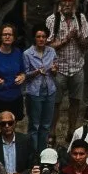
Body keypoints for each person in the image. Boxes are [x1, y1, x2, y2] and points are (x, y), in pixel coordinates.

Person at [47, 0, 88, 146]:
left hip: (77, 67)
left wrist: (77, 37)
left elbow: (86, 44)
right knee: (55, 103)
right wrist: (65, 40)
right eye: (64, 1)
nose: (66, 4)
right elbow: (48, 46)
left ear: (74, 3)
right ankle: (52, 133)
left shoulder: (81, 18)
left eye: (69, 1)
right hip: (59, 68)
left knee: (75, 101)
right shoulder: (52, 20)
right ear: (60, 3)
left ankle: (72, 131)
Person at [23, 25, 57, 154]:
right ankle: (33, 153)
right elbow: (25, 74)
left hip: (50, 90)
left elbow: (55, 71)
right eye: (38, 36)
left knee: (46, 125)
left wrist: (54, 70)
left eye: (43, 36)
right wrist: (37, 72)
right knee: (34, 125)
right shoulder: (27, 54)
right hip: (34, 92)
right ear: (34, 38)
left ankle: (42, 152)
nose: (41, 39)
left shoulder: (51, 51)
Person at [0, 25, 27, 122]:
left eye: (10, 34)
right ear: (0, 37)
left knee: (12, 126)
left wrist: (22, 77)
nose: (7, 37)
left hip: (15, 97)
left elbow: (23, 72)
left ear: (14, 37)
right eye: (4, 34)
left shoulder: (18, 52)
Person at [0, 108, 36, 174]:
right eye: (3, 123)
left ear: (15, 123)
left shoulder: (26, 140)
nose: (7, 126)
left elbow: (32, 165)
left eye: (10, 123)